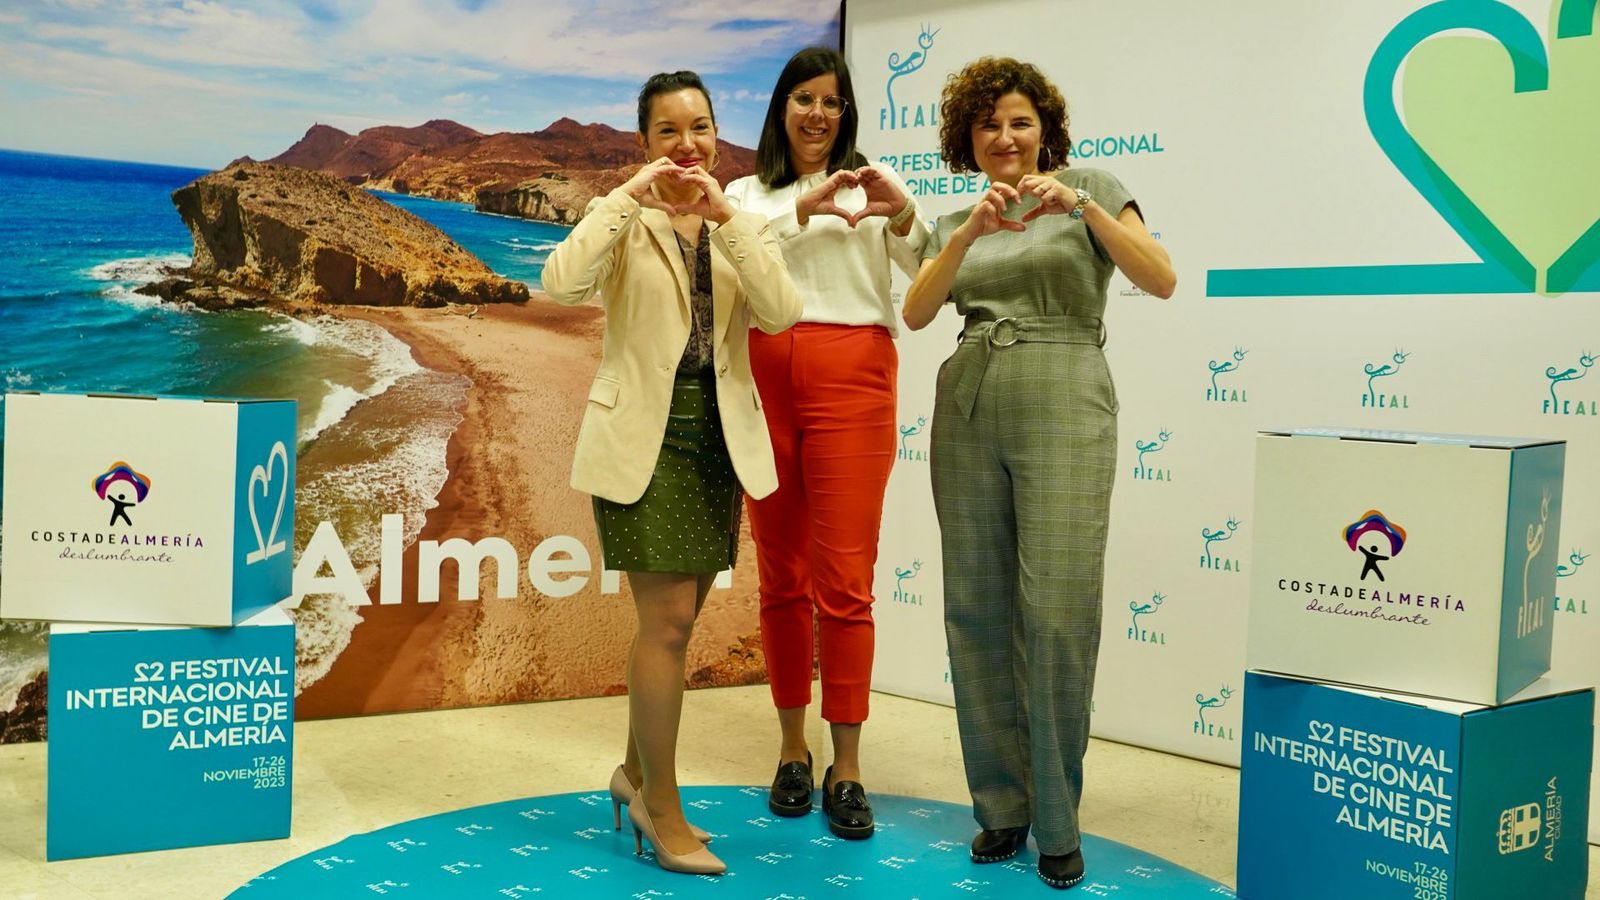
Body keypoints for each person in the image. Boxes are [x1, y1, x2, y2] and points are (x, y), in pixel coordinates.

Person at [901, 56, 1176, 890]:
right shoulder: (960, 213)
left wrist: (1082, 206)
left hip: (1065, 392)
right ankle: (1002, 808)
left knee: (1056, 612)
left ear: (1045, 130)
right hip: (972, 396)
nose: (1005, 137)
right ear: (968, 140)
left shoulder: (1092, 184)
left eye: (1019, 121)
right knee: (977, 608)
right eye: (987, 125)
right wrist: (967, 236)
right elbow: (915, 312)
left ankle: (1059, 817)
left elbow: (1160, 277)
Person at [541, 70, 802, 876]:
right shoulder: (621, 216)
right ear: (645, 142)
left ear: (718, 134)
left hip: (716, 438)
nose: (687, 144)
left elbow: (782, 311)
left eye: (700, 127)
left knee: (678, 622)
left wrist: (727, 220)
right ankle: (661, 806)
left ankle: (632, 772)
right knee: (665, 626)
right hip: (642, 441)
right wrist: (629, 194)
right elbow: (560, 285)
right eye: (668, 131)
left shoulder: (739, 220)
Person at [724, 46, 928, 839]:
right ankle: (790, 753)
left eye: (833, 102)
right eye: (805, 99)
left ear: (847, 114)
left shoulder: (874, 183)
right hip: (764, 382)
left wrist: (897, 209)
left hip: (855, 378)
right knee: (781, 578)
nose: (819, 114)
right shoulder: (747, 192)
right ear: (781, 108)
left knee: (846, 581)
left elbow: (927, 264)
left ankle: (848, 766)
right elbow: (734, 257)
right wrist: (803, 209)